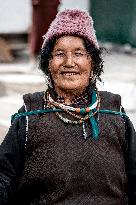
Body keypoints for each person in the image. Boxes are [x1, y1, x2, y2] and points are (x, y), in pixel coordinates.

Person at [0, 9, 136, 205]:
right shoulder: (29, 116)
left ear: (92, 63)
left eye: (79, 53)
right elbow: (4, 177)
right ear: (48, 64)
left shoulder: (115, 114)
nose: (69, 62)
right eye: (59, 54)